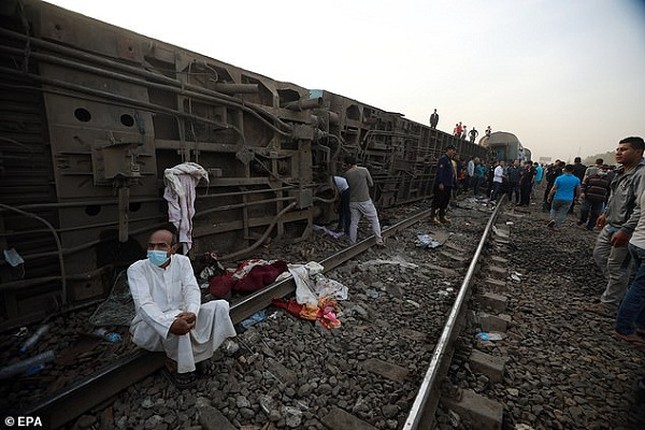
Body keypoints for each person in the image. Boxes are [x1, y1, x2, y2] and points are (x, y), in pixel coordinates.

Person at [127, 228, 236, 388]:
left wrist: (192, 312)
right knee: (178, 323)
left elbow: (191, 289)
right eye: (151, 246)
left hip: (182, 317)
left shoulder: (182, 262)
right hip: (151, 327)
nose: (155, 251)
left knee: (220, 307)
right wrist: (169, 324)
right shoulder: (137, 269)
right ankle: (180, 369)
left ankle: (199, 357)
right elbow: (144, 305)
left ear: (173, 248)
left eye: (161, 246)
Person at [585, 136, 645, 317]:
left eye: (624, 149)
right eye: (618, 149)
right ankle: (618, 296)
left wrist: (626, 230)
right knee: (600, 255)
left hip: (625, 228)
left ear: (638, 152)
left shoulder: (641, 174)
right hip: (612, 223)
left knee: (618, 267)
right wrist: (605, 213)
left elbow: (640, 206)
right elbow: (614, 197)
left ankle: (610, 305)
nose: (619, 152)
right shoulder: (621, 172)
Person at [614, 185, 645, 345]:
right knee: (640, 289)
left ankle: (640, 324)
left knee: (638, 286)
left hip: (637, 241)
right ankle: (624, 327)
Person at [343, 155, 384, 246]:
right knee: (374, 219)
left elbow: (347, 187)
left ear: (349, 164)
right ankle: (378, 239)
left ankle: (352, 242)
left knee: (354, 223)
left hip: (353, 201)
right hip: (365, 200)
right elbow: (371, 184)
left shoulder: (346, 174)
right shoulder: (364, 170)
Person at [577, 166, 611, 230]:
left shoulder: (608, 179)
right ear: (599, 170)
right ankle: (583, 219)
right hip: (588, 197)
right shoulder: (591, 177)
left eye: (605, 169)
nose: (604, 170)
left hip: (600, 199)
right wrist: (582, 192)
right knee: (584, 209)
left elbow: (609, 190)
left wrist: (607, 198)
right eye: (602, 169)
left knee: (595, 213)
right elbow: (584, 185)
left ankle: (590, 226)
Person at [430, 144, 457, 224]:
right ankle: (433, 217)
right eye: (453, 150)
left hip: (448, 184)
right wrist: (440, 182)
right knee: (438, 200)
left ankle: (442, 216)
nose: (454, 152)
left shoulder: (449, 160)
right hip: (442, 184)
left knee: (445, 201)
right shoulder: (443, 159)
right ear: (448, 150)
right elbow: (440, 172)